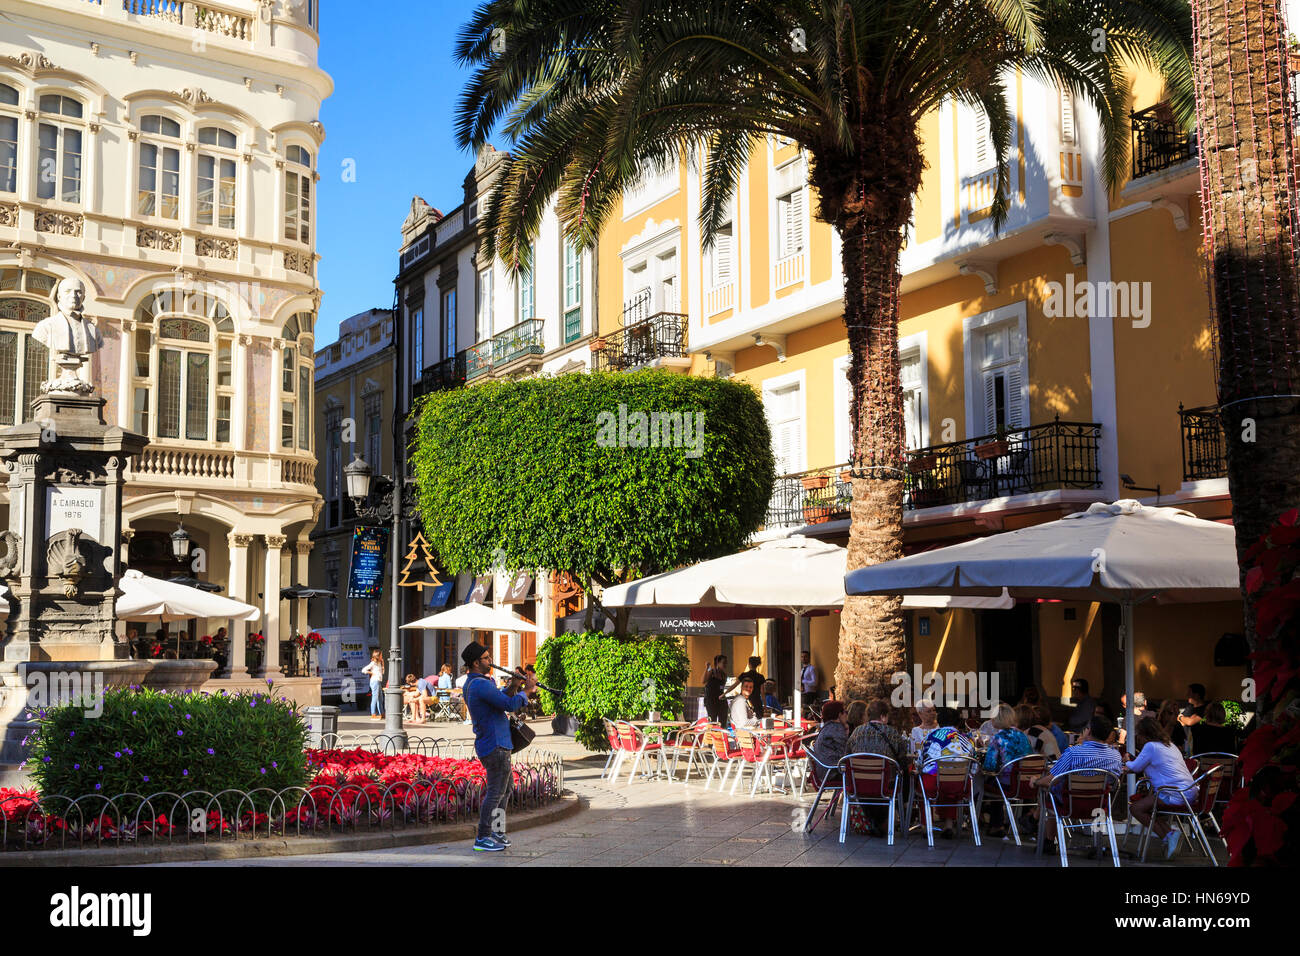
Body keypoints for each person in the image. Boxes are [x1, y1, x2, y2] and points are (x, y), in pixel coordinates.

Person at [462, 640, 535, 852]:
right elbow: (508, 705)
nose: (490, 661)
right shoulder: (480, 685)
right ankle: (483, 837)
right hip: (494, 745)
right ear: (476, 663)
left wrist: (513, 686)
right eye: (486, 658)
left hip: (497, 743)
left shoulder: (480, 683)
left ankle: (497, 831)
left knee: (505, 789)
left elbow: (500, 699)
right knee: (495, 792)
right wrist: (527, 692)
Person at [1125, 716, 1200, 859]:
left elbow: (1135, 767)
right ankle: (1171, 834)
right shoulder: (1169, 745)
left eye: (1139, 734)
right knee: (1149, 809)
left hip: (1175, 794)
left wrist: (1127, 760)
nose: (1138, 738)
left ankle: (1167, 836)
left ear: (1144, 734)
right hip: (1189, 792)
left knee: (1135, 808)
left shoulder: (1151, 746)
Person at [1034, 715, 1123, 805]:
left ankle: (1035, 817)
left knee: (1049, 790)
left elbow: (1051, 780)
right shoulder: (1116, 756)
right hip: (1099, 804)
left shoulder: (1073, 753)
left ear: (1089, 731)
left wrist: (1035, 781)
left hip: (1071, 804)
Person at [918, 708, 975, 839]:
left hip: (935, 785)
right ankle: (949, 825)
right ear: (957, 722)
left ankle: (926, 826)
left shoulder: (931, 736)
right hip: (961, 785)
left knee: (926, 779)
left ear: (939, 721)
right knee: (951, 779)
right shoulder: (967, 739)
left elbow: (922, 762)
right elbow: (974, 767)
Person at [981, 703, 1033, 837]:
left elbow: (989, 766)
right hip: (1025, 782)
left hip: (1008, 784)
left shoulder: (998, 738)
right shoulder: (1023, 736)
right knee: (996, 779)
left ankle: (994, 824)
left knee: (987, 781)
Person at [812, 700, 849, 770]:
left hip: (823, 769)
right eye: (845, 712)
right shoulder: (836, 728)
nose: (847, 715)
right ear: (839, 714)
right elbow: (845, 753)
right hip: (833, 771)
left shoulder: (827, 727)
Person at [703, 655, 729, 725]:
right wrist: (707, 668)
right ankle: (712, 735)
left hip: (721, 700)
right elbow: (703, 681)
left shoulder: (724, 675)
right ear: (718, 663)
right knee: (712, 721)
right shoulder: (712, 672)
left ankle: (722, 734)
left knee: (723, 720)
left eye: (726, 663)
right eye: (723, 662)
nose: (725, 664)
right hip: (711, 700)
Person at [361, 650, 384, 719]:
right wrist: (371, 673)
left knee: (380, 698)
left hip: (379, 681)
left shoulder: (379, 663)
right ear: (378, 656)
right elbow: (363, 670)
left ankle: (381, 713)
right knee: (375, 698)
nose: (382, 656)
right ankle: (373, 714)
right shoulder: (373, 663)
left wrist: (383, 664)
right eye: (381, 655)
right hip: (375, 681)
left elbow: (382, 672)